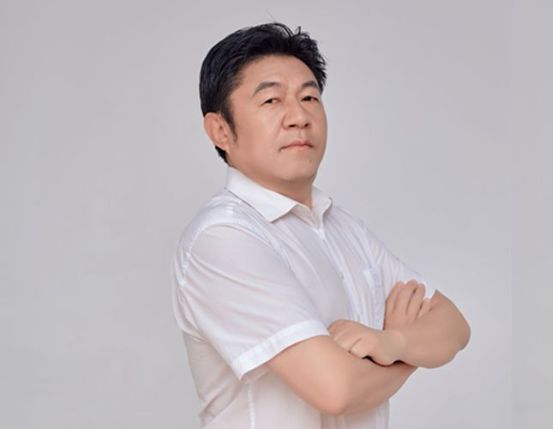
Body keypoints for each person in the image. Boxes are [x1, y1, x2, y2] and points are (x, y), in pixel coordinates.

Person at [170, 22, 470, 428]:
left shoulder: (342, 227)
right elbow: (336, 390)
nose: (299, 116)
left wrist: (391, 341)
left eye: (309, 97)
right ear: (220, 130)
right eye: (272, 100)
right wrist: (410, 354)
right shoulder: (223, 238)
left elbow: (453, 326)